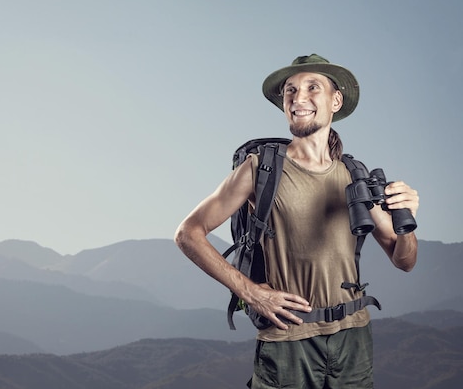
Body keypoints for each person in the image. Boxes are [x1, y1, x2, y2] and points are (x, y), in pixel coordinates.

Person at [174, 54, 419, 388]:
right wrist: (250, 292)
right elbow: (188, 233)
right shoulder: (261, 169)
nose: (297, 97)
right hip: (288, 340)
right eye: (290, 91)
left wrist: (407, 221)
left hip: (354, 338)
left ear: (336, 101)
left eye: (311, 87)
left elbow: (404, 260)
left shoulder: (355, 175)